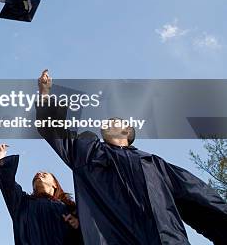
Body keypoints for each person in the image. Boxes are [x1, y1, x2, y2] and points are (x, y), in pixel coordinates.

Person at [36, 70, 227, 244]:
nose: (107, 122)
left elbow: (197, 196)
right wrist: (45, 94)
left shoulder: (153, 164)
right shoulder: (88, 154)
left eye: (114, 121)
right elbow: (53, 131)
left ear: (126, 131)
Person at [0, 140, 83, 244]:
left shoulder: (70, 209)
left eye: (44, 174)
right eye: (36, 176)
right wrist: (1, 154)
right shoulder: (22, 203)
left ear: (55, 184)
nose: (39, 174)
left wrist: (78, 225)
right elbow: (5, 180)